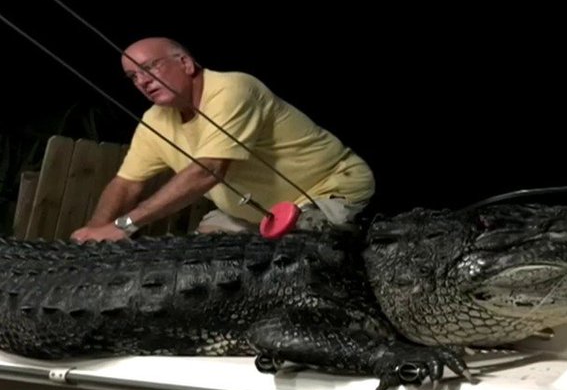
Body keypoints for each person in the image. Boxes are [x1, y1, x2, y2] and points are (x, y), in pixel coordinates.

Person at [70, 37, 375, 242]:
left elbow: (209, 169)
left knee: (300, 253)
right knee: (199, 256)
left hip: (327, 190)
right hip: (256, 214)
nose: (143, 82)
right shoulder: (155, 120)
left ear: (186, 64)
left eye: (150, 67)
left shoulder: (232, 89)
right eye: (133, 77)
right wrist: (96, 232)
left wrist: (124, 226)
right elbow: (126, 184)